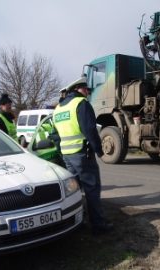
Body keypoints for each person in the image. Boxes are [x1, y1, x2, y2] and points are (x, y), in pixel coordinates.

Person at [53, 77, 113, 235]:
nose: (88, 93)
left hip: (67, 156)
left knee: (73, 190)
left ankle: (76, 220)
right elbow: (90, 130)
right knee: (92, 189)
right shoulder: (81, 104)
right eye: (86, 90)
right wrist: (99, 150)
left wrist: (61, 150)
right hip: (81, 154)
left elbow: (55, 135)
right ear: (78, 89)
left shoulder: (58, 108)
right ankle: (98, 226)